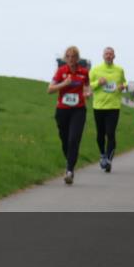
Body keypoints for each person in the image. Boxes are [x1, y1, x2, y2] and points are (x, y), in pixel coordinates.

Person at [48, 46, 91, 185]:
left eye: (73, 56)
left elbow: (87, 87)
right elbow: (50, 89)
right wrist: (64, 84)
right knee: (65, 139)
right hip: (62, 110)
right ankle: (70, 161)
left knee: (74, 139)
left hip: (78, 110)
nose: (71, 59)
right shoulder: (61, 71)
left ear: (77, 58)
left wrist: (88, 93)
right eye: (68, 56)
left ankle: (69, 171)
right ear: (65, 58)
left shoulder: (84, 72)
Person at [88, 46, 127, 173]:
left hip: (113, 106)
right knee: (100, 134)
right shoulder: (95, 69)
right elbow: (88, 86)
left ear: (114, 56)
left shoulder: (119, 70)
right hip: (99, 106)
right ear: (103, 56)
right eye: (106, 54)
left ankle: (109, 160)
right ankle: (102, 154)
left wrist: (123, 86)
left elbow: (124, 82)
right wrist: (98, 83)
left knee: (110, 133)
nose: (109, 56)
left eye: (111, 54)